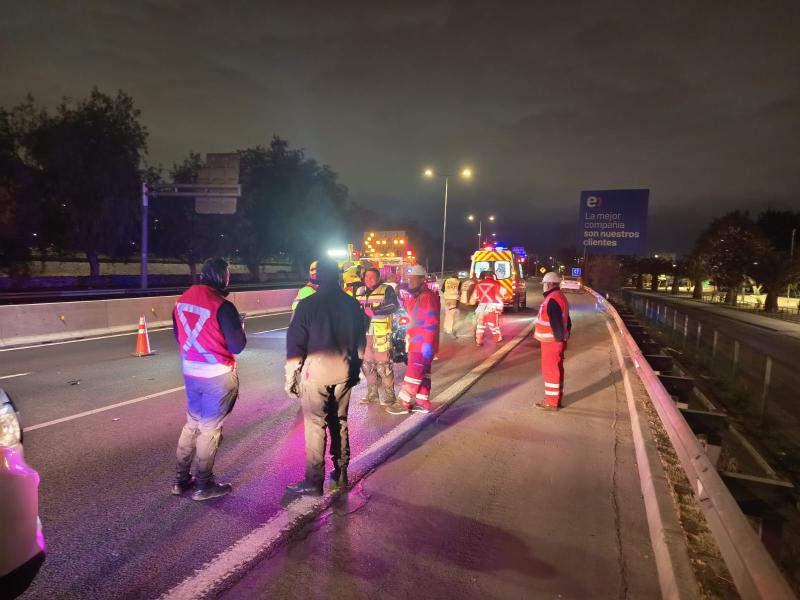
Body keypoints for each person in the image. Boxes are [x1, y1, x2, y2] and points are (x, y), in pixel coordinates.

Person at [284, 259, 366, 496]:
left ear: (318, 277)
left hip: (315, 374)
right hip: (344, 372)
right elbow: (361, 341)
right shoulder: (352, 304)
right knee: (339, 421)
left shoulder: (307, 304)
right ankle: (340, 473)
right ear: (338, 276)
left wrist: (291, 377)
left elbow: (295, 345)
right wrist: (355, 368)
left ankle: (314, 482)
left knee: (315, 426)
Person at [171, 257, 247, 501]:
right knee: (209, 430)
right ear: (220, 276)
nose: (228, 280)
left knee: (192, 424)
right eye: (227, 275)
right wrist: (240, 327)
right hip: (217, 375)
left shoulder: (181, 301)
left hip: (191, 373)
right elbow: (237, 346)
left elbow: (179, 336)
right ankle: (204, 485)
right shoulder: (222, 306)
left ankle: (181, 481)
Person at [385, 264, 440, 415]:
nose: (410, 282)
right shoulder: (418, 297)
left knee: (413, 371)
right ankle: (422, 402)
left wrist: (427, 345)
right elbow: (408, 310)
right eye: (409, 279)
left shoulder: (427, 297)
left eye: (413, 280)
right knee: (423, 372)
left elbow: (431, 322)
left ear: (423, 279)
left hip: (422, 343)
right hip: (418, 341)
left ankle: (403, 402)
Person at [355, 268, 400, 405]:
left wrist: (374, 311)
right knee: (367, 365)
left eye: (372, 277)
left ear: (379, 277)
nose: (368, 280)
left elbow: (394, 305)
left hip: (381, 332)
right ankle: (372, 394)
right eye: (366, 277)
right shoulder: (359, 291)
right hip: (364, 333)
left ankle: (390, 396)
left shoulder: (386, 289)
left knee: (383, 366)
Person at [534, 272, 572, 411]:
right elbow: (567, 320)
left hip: (551, 342)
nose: (543, 286)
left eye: (544, 284)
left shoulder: (552, 299)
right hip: (556, 341)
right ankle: (556, 397)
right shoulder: (560, 297)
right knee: (556, 368)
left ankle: (551, 402)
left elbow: (556, 322)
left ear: (549, 284)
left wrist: (558, 339)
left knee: (550, 370)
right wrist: (564, 339)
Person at [473, 271, 505, 345]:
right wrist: (500, 308)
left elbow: (476, 297)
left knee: (480, 325)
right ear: (492, 276)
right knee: (494, 325)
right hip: (492, 306)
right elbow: (500, 296)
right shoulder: (496, 283)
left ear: (485, 276)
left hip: (481, 306)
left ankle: (479, 340)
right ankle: (497, 339)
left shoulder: (479, 284)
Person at [442, 273, 461, 337]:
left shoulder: (447, 280)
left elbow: (442, 289)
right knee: (452, 315)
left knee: (447, 313)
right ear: (457, 277)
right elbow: (460, 291)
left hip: (447, 299)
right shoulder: (458, 282)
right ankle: (449, 330)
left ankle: (445, 327)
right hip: (454, 299)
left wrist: (447, 293)